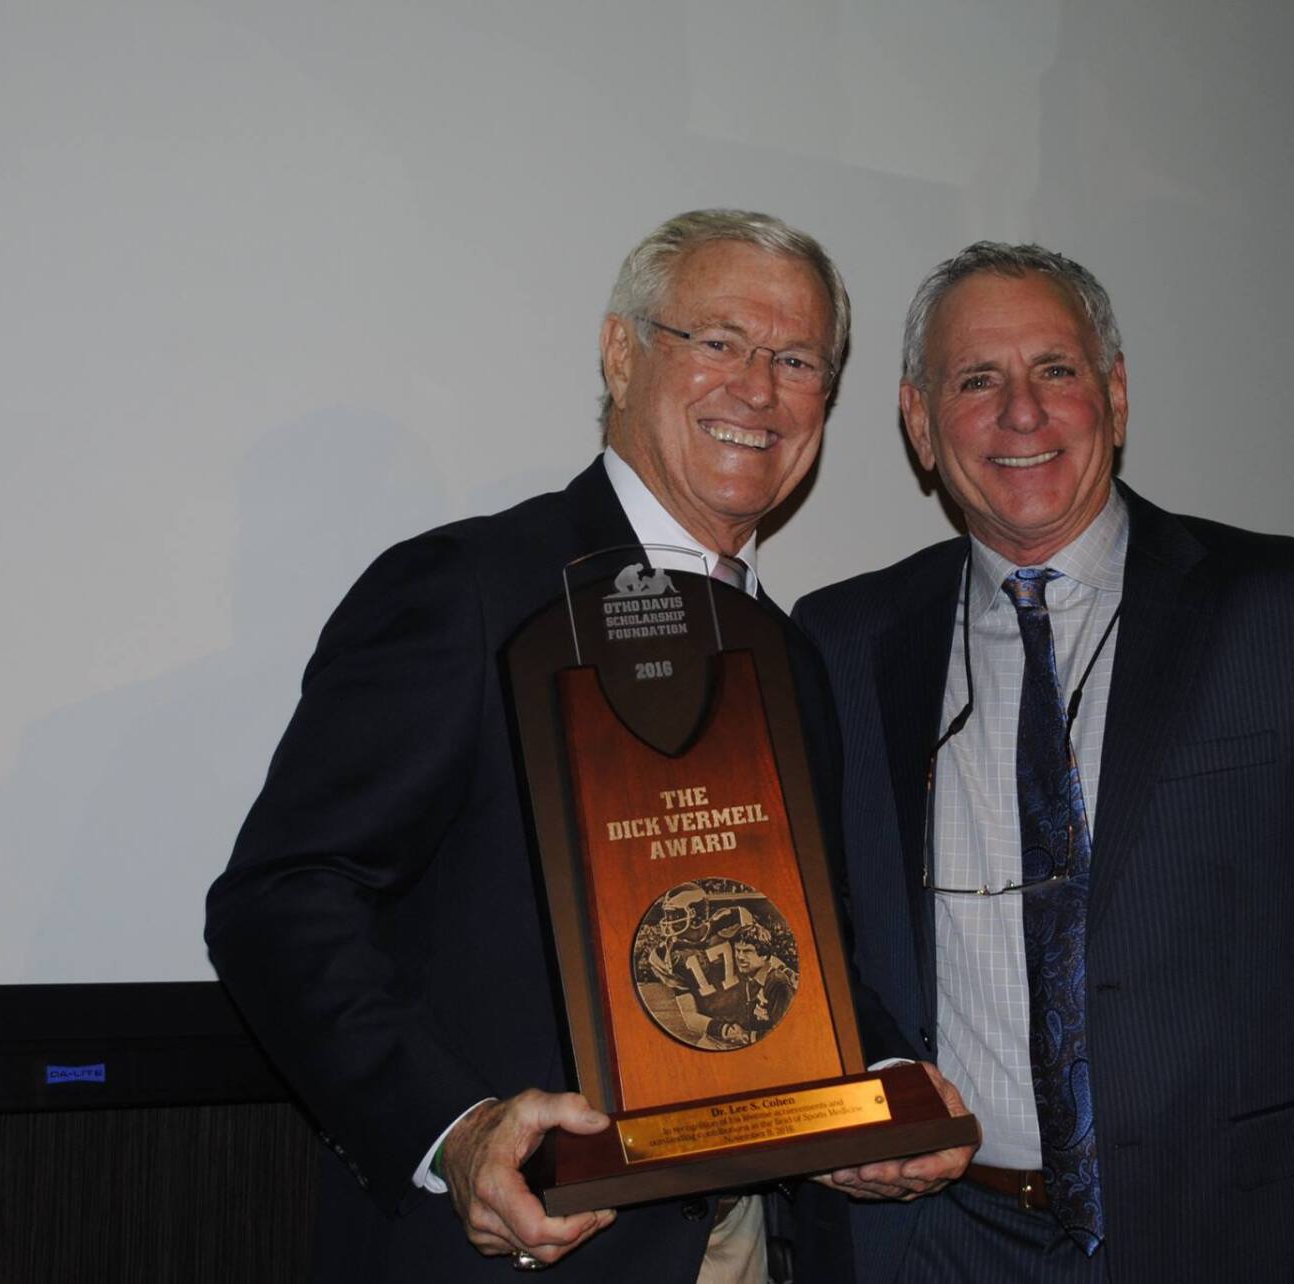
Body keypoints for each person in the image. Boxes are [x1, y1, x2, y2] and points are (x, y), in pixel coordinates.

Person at [205, 210, 965, 1283]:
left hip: (749, 1247)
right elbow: (281, 897)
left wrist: (880, 1086)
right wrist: (455, 1132)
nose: (757, 388)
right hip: (519, 1253)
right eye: (717, 341)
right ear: (621, 354)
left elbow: (804, 944)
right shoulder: (471, 593)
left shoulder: (786, 657)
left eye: (796, 360)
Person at [791, 243, 1294, 1283]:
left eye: (1055, 371)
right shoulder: (843, 638)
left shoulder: (1293, 613)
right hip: (936, 1245)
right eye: (977, 381)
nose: (1022, 413)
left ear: (1113, 394)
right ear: (921, 427)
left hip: (1229, 1240)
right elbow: (817, 936)